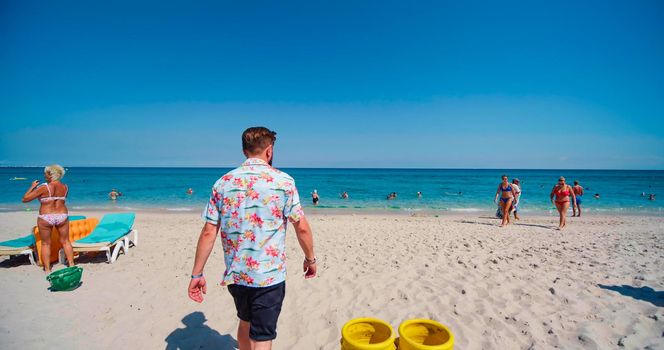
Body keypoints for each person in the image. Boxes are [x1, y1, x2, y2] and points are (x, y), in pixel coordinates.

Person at [188, 127, 316, 350]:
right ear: (269, 150)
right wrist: (310, 259)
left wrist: (197, 273)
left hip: (237, 276)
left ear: (244, 150)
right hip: (269, 277)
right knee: (263, 336)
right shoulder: (283, 182)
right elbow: (301, 227)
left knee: (245, 323)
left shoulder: (223, 183)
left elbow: (209, 231)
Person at [21, 165, 75, 272]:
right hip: (62, 215)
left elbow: (25, 199)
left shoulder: (44, 187)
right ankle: (72, 264)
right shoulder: (65, 187)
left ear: (50, 174)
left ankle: (47, 269)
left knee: (46, 243)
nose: (44, 175)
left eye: (45, 173)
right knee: (65, 241)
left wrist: (32, 187)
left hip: (46, 216)